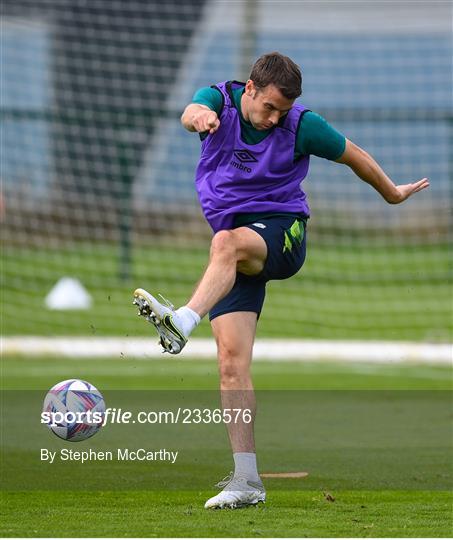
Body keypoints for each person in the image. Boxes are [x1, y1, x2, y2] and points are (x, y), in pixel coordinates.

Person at [133, 52, 429, 509]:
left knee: (224, 245)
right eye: (269, 107)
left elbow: (355, 155)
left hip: (283, 232)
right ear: (249, 88)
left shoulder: (302, 126)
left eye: (283, 112)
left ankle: (182, 321)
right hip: (236, 250)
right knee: (231, 362)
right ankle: (247, 482)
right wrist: (201, 117)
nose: (274, 119)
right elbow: (190, 111)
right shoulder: (221, 102)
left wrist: (391, 193)